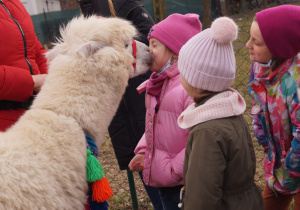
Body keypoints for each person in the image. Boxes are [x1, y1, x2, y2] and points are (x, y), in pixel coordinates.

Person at [79, 0, 163, 209]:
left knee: (156, 153)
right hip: (118, 100)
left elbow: (150, 41)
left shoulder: (126, 5)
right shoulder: (88, 9)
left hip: (140, 93)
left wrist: (116, 45)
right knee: (140, 157)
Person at [176, 16, 264, 209]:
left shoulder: (207, 132)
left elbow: (201, 199)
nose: (179, 74)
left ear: (195, 80)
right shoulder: (231, 113)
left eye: (182, 69)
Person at [129, 13, 202, 210]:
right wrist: (144, 151)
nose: (148, 50)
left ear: (176, 52)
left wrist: (175, 170)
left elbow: (199, 138)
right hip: (164, 178)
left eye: (154, 45)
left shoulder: (187, 88)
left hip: (182, 182)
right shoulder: (157, 83)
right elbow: (155, 125)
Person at [247, 5, 300, 210]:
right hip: (280, 165)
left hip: (292, 165)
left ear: (278, 47)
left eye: (256, 42)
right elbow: (257, 103)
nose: (247, 44)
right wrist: (264, 141)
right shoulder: (260, 68)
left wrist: (291, 170)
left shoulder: (295, 83)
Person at [0, 0, 48, 131]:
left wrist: (53, 78)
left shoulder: (13, 3)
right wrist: (32, 82)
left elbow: (36, 52)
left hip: (34, 115)